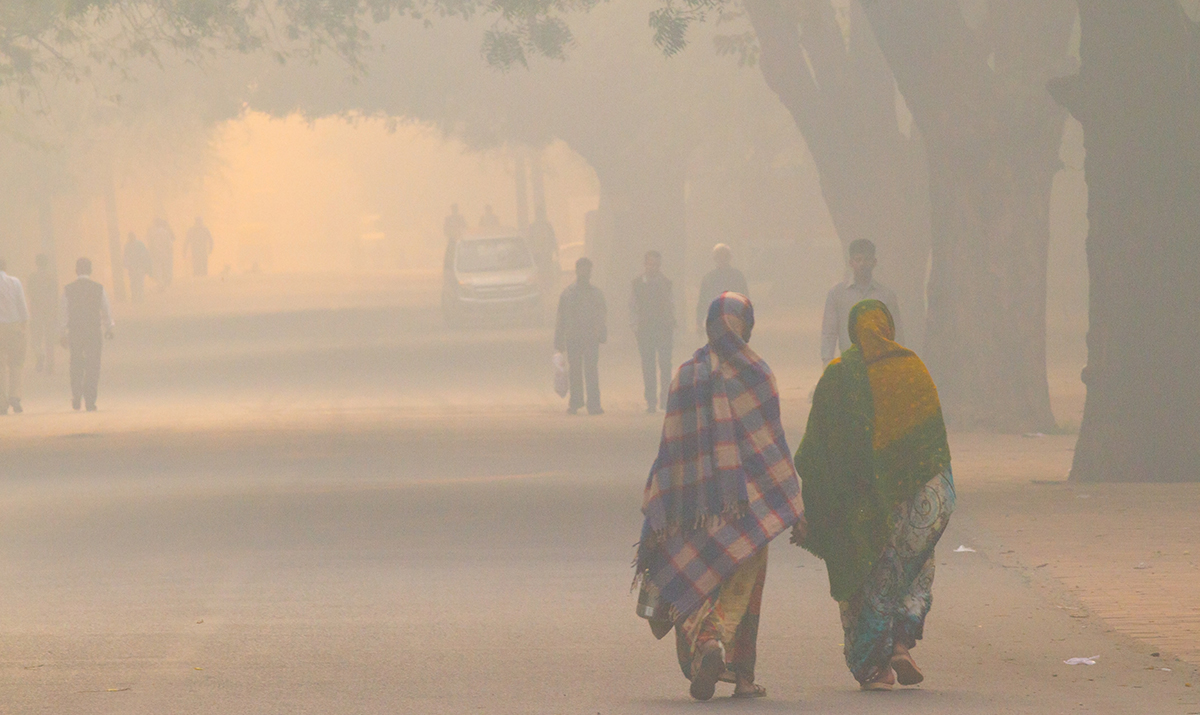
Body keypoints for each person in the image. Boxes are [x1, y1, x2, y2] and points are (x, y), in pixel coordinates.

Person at [635, 292, 805, 701]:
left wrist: (663, 505)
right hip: (751, 508)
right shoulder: (758, 374)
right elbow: (773, 445)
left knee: (697, 578)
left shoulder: (685, 375)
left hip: (692, 508)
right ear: (747, 325)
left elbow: (671, 448)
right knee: (745, 591)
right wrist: (792, 502)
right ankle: (741, 674)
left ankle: (707, 647)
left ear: (709, 325)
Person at [793, 299, 954, 691]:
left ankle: (873, 668)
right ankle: (900, 643)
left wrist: (813, 506)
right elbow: (934, 442)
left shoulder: (836, 375)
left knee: (864, 577)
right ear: (889, 327)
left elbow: (815, 450)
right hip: (914, 497)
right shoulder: (912, 367)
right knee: (911, 570)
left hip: (858, 507)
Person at [821, 239, 904, 365]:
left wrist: (897, 362)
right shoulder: (837, 295)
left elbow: (896, 332)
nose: (862, 264)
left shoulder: (886, 296)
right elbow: (829, 331)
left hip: (880, 364)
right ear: (851, 263)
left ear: (874, 262)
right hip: (848, 363)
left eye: (866, 260)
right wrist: (827, 362)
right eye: (858, 260)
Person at [553, 257, 606, 415]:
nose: (585, 272)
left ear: (591, 272)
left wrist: (601, 333)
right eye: (582, 269)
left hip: (590, 338)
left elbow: (602, 315)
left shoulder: (596, 294)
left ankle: (594, 404)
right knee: (575, 371)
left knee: (591, 371)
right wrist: (559, 339)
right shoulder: (567, 294)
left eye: (587, 270)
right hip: (573, 337)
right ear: (577, 271)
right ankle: (575, 402)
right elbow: (561, 317)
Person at [61, 258, 115, 412]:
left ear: (76, 270)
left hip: (76, 332)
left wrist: (62, 332)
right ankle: (90, 400)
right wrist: (109, 328)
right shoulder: (99, 289)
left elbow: (63, 312)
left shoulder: (68, 289)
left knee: (76, 363)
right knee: (93, 365)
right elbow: (106, 310)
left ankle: (77, 395)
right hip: (93, 331)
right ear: (90, 270)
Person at [629, 250, 675, 412]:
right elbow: (633, 306)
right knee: (648, 365)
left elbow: (671, 305)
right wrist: (635, 327)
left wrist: (671, 324)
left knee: (665, 365)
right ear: (645, 264)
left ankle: (665, 400)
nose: (653, 267)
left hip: (663, 329)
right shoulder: (636, 284)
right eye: (650, 264)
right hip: (645, 330)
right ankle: (650, 401)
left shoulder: (666, 283)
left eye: (656, 264)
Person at [695, 244, 748, 332]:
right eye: (720, 257)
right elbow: (702, 301)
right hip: (728, 320)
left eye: (724, 257)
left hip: (724, 320)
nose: (722, 259)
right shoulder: (737, 276)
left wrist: (699, 322)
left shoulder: (709, 278)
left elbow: (702, 302)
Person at [0, 259, 29, 414]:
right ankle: (15, 396)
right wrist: (23, 328)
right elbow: (22, 306)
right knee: (16, 363)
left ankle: (1, 403)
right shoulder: (14, 282)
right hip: (13, 326)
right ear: (5, 266)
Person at [26, 253, 58, 375]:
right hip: (49, 312)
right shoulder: (52, 278)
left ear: (37, 263)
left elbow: (29, 294)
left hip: (36, 311)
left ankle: (40, 354)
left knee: (36, 338)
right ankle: (51, 366)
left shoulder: (32, 278)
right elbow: (55, 296)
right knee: (49, 339)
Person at [123, 232, 152, 304]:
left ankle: (138, 298)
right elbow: (125, 257)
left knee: (137, 282)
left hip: (138, 267)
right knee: (135, 283)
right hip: (134, 267)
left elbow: (145, 255)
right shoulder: (134, 245)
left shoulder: (136, 245)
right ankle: (137, 297)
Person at [147, 217, 176, 287]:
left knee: (157, 268)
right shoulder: (165, 232)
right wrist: (170, 250)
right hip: (165, 253)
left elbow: (150, 243)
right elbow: (169, 243)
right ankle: (166, 281)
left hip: (155, 253)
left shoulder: (151, 232)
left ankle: (160, 282)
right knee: (166, 267)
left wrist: (151, 252)